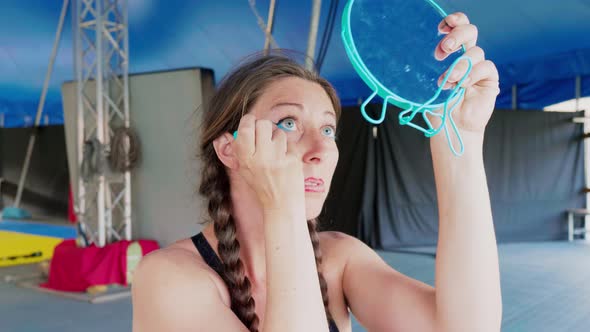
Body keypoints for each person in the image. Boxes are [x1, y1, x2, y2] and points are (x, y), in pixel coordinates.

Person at [131, 12, 502, 332]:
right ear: (230, 149)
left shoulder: (339, 258)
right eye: (289, 122)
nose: (322, 149)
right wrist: (282, 208)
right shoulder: (169, 277)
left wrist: (462, 139)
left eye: (328, 130)